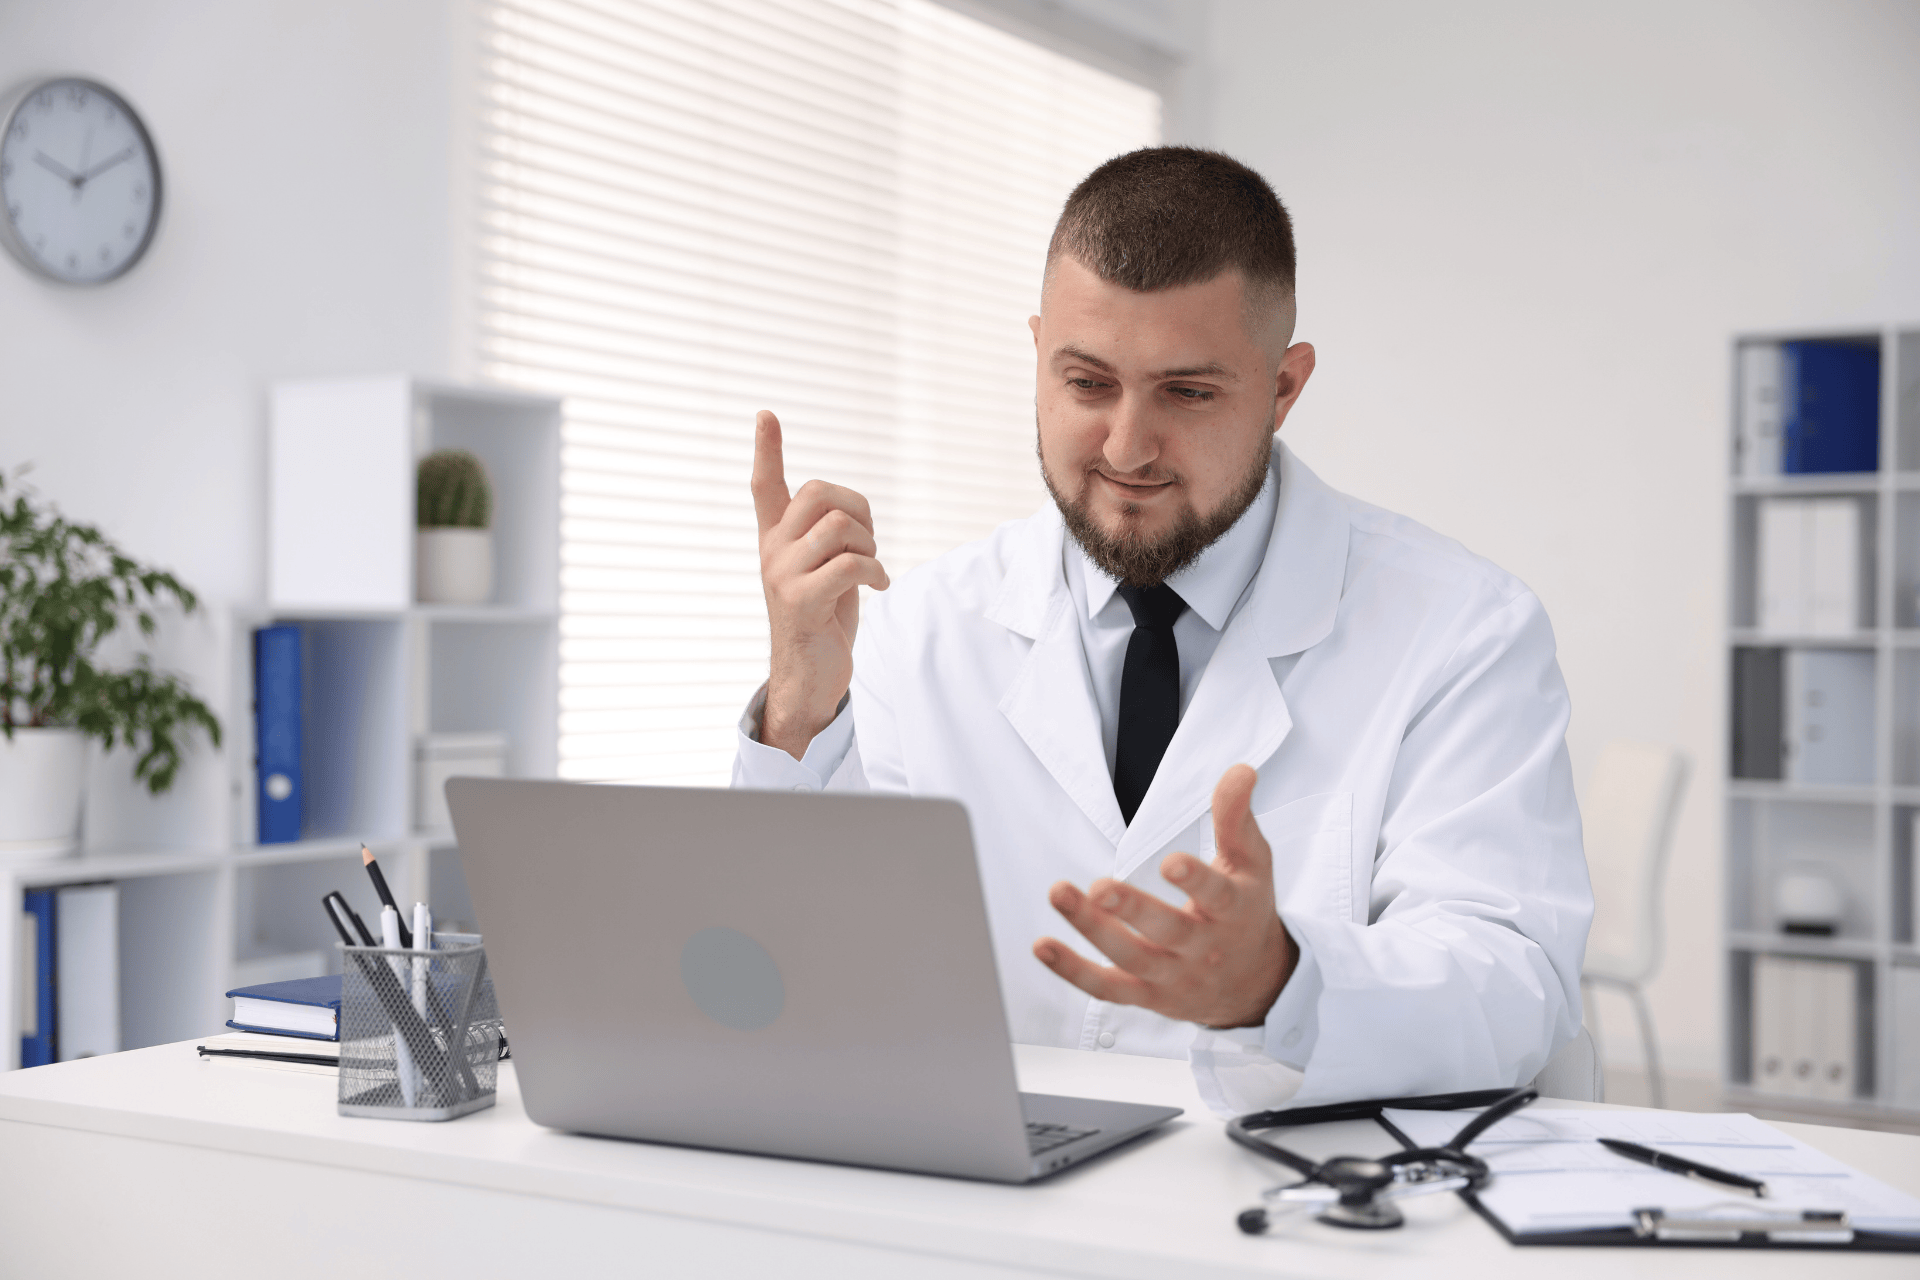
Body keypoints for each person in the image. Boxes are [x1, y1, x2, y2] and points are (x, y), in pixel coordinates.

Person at [733, 147, 1591, 1114]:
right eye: (1088, 383)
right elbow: (793, 975)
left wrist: (1281, 983)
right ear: (1039, 357)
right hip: (990, 1201)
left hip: (1288, 1211)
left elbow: (1513, 986)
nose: (1127, 447)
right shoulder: (920, 627)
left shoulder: (1462, 631)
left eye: (1187, 393)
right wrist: (800, 705)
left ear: (1284, 388)